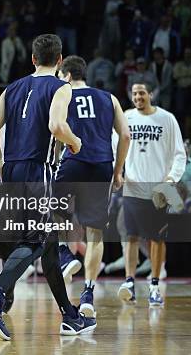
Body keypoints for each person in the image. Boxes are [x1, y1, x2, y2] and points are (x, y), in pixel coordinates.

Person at [0, 34, 95, 340]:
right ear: (60, 60)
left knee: (49, 247)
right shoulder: (62, 87)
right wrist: (76, 143)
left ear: (33, 59)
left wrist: (0, 163)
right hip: (38, 169)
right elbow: (56, 126)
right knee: (37, 238)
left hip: (12, 169)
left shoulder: (12, 87)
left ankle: (70, 315)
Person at [55, 55, 131, 317]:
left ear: (65, 74)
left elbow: (57, 129)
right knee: (95, 232)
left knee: (54, 210)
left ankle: (65, 253)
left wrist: (54, 160)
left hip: (74, 159)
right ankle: (88, 291)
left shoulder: (62, 94)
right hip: (102, 164)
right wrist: (119, 170)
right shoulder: (109, 98)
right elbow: (125, 135)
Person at [118, 83, 186, 307]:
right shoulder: (126, 117)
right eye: (134, 93)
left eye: (141, 93)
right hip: (133, 186)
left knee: (157, 239)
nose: (137, 96)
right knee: (131, 236)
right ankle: (129, 282)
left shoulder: (167, 119)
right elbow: (115, 145)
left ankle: (155, 286)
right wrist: (118, 172)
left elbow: (179, 153)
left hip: (158, 189)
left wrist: (170, 180)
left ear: (151, 94)